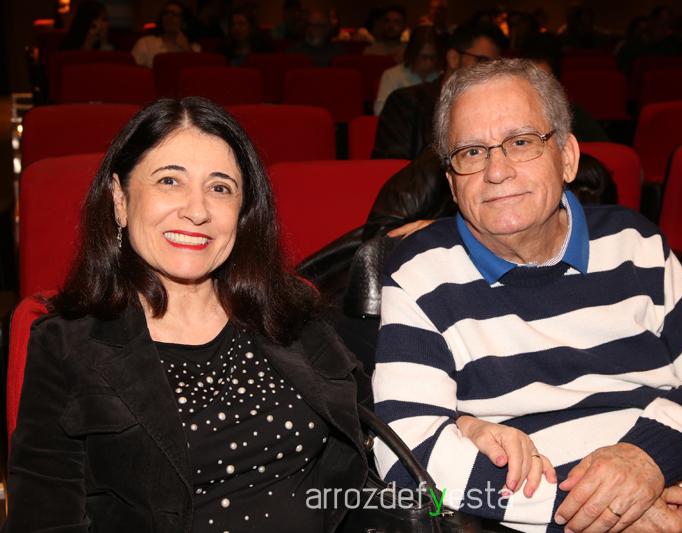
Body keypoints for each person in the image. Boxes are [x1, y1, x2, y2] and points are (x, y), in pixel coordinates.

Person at [371, 59, 682, 531]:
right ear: (451, 181)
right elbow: (404, 451)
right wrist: (599, 510)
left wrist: (648, 458)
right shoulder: (422, 272)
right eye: (471, 152)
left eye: (521, 142)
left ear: (568, 157)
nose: (496, 171)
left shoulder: (634, 244)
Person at [4, 97, 370, 532]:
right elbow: (43, 519)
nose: (197, 211)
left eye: (220, 188)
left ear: (243, 212)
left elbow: (370, 448)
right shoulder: (67, 345)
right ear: (119, 199)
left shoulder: (289, 311)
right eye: (169, 181)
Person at [372, 21, 506, 160]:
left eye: (496, 66)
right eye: (482, 61)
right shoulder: (404, 103)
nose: (489, 72)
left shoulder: (495, 110)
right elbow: (391, 168)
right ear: (453, 58)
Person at [374, 25, 444, 116]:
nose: (429, 63)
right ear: (413, 54)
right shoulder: (391, 76)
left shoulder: (441, 77)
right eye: (424, 57)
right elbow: (380, 110)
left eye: (433, 57)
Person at [131, 1, 201, 68]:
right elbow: (133, 70)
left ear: (184, 22)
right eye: (165, 13)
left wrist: (188, 50)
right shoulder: (145, 43)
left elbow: (197, 71)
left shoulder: (194, 48)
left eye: (174, 14)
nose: (169, 17)